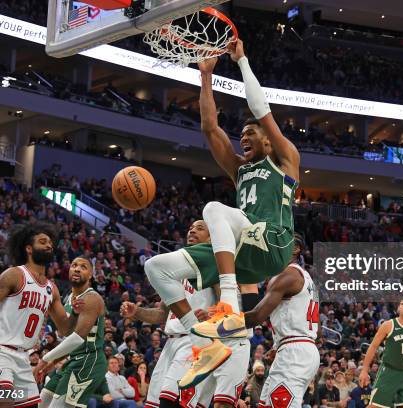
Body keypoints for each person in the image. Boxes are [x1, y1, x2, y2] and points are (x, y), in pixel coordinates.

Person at [144, 38, 301, 388]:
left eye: (250, 134)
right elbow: (209, 128)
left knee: (214, 207)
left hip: (273, 241)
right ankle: (205, 344)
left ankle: (228, 302)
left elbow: (262, 109)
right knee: (156, 268)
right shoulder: (239, 170)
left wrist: (242, 60)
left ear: (268, 141)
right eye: (241, 134)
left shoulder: (285, 160)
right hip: (243, 249)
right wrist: (205, 77)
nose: (242, 138)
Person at [0, 222, 75, 408]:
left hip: (23, 359)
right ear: (29, 248)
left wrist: (78, 310)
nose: (49, 245)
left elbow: (66, 328)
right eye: (43, 242)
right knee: (4, 398)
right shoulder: (14, 275)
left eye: (50, 243)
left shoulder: (52, 290)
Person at [121, 220, 216, 408]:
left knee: (170, 400)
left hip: (194, 340)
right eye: (190, 228)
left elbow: (229, 306)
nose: (192, 230)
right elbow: (161, 315)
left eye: (199, 228)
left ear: (212, 237)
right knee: (155, 403)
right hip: (171, 343)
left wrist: (212, 314)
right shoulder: (176, 272)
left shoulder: (214, 265)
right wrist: (137, 312)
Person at [220, 235, 319, 408]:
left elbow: (257, 316)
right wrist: (277, 346)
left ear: (295, 249)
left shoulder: (287, 275)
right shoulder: (306, 278)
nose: (273, 248)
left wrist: (219, 323)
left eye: (279, 244)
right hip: (299, 348)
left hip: (293, 353)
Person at [38, 256, 107, 408]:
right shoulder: (69, 299)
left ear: (90, 275)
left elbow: (77, 338)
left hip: (89, 360)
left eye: (83, 267)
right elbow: (68, 336)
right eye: (74, 265)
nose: (77, 268)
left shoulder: (91, 298)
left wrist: (45, 359)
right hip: (73, 359)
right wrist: (54, 362)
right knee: (42, 402)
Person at [359, 298, 403, 408]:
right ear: (398, 308)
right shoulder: (388, 325)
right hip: (389, 372)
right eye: (402, 304)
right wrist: (364, 370)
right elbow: (373, 347)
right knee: (375, 406)